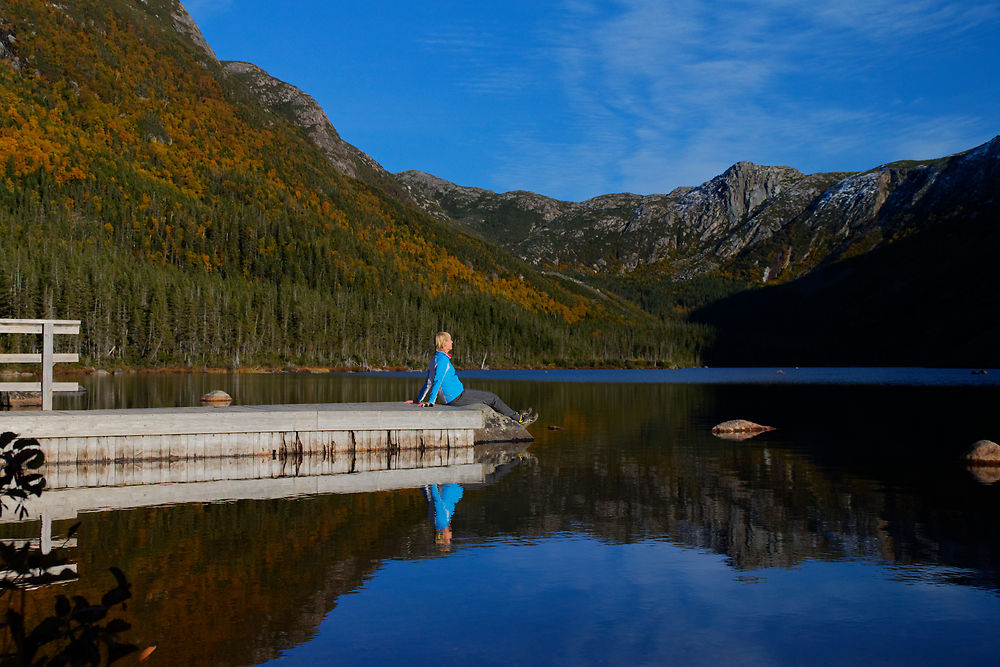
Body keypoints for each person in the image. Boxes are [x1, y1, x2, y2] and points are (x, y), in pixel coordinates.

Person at [406, 331, 537, 425]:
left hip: (457, 395)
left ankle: (514, 415)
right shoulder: (441, 361)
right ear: (444, 343)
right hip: (456, 398)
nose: (452, 342)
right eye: (450, 340)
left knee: (489, 399)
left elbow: (428, 381)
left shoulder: (435, 358)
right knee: (492, 398)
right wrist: (431, 402)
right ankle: (519, 419)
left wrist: (418, 399)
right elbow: (436, 381)